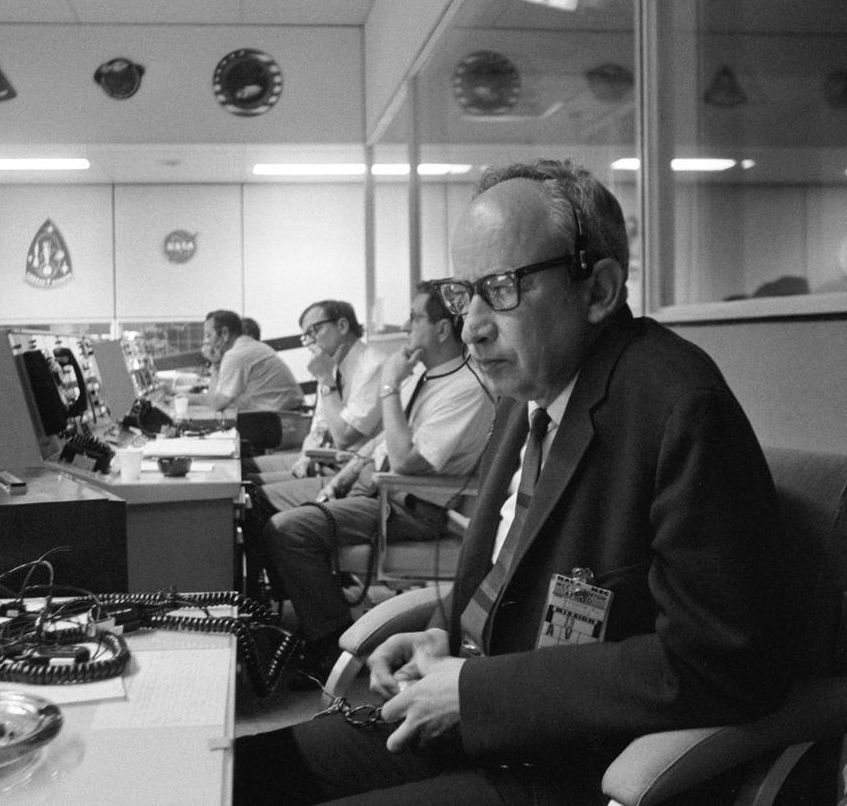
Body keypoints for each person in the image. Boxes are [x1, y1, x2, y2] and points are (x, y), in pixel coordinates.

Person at [234, 158, 798, 805]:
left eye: (500, 287)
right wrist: (444, 633)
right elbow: (506, 574)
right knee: (238, 773)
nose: (470, 323)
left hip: (566, 764)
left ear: (599, 290)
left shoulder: (677, 405)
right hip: (479, 719)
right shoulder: (525, 395)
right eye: (461, 292)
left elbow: (723, 662)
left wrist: (477, 691)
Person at [259, 283, 495, 680]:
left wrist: (389, 383)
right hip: (382, 490)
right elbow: (385, 438)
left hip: (412, 507)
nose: (406, 324)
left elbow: (404, 460)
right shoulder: (430, 374)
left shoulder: (466, 388)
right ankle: (297, 619)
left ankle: (329, 644)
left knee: (287, 530)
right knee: (260, 504)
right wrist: (347, 475)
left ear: (441, 329)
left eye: (416, 317)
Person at [245, 300, 385, 480]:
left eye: (314, 331)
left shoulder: (374, 366)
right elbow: (319, 427)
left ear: (342, 325)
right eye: (306, 336)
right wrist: (305, 457)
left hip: (348, 470)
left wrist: (326, 380)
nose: (309, 342)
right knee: (244, 468)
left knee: (251, 487)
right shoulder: (330, 364)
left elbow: (344, 438)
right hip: (321, 459)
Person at [195, 309, 303, 413]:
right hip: (288, 414)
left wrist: (215, 363)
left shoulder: (235, 355)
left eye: (208, 335)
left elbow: (216, 404)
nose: (206, 342)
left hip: (279, 421)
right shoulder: (251, 345)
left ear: (224, 333)